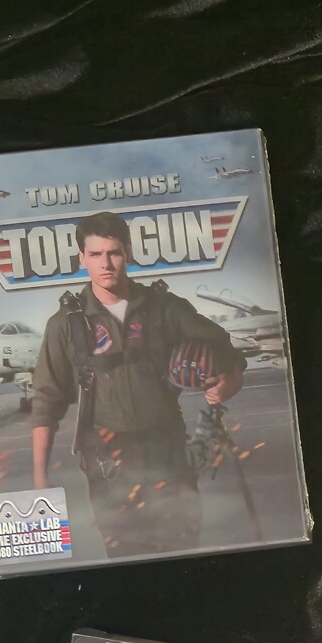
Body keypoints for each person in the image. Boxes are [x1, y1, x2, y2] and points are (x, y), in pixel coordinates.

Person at [28, 211, 246, 557]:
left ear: (127, 252)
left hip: (168, 453)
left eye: (113, 252)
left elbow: (221, 344)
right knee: (125, 555)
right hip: (108, 462)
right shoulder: (66, 325)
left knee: (183, 549)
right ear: (82, 258)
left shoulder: (164, 308)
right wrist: (40, 477)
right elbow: (45, 399)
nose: (106, 264)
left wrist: (230, 379)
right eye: (95, 254)